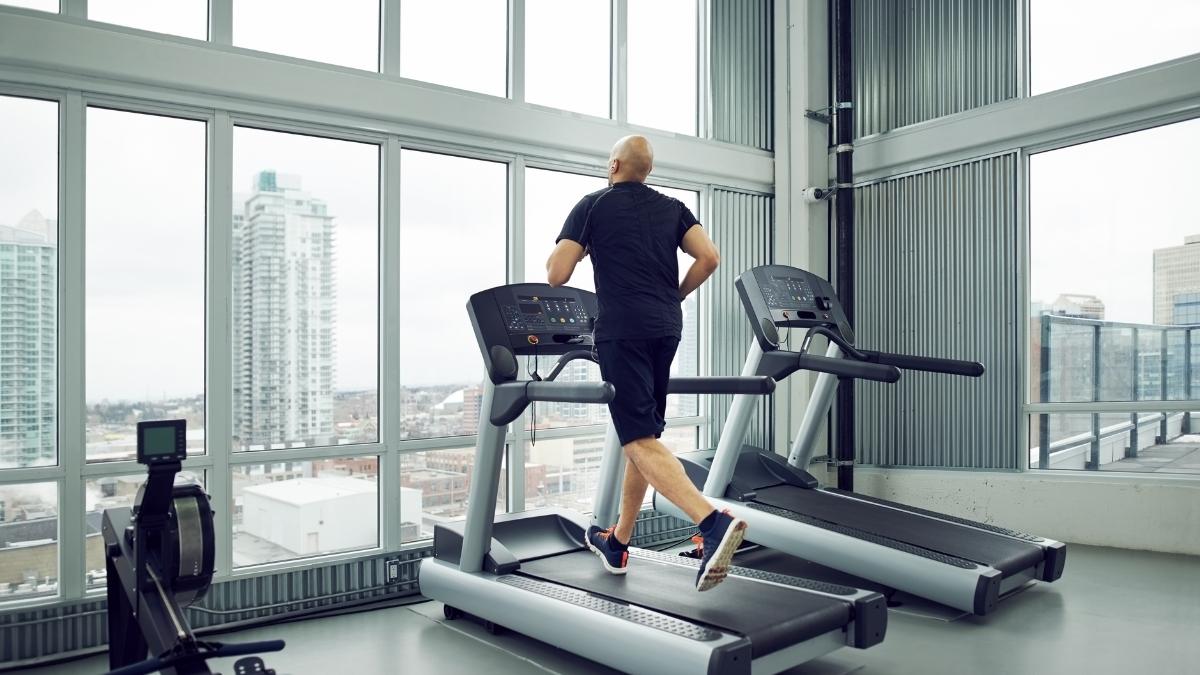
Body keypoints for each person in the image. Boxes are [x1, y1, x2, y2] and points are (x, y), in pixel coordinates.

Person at [546, 135, 746, 592]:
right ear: (647, 171)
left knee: (636, 436)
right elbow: (709, 258)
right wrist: (672, 295)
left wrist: (575, 246)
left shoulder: (593, 205)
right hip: (666, 326)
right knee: (643, 434)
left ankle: (711, 522)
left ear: (613, 164)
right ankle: (619, 540)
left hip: (623, 328)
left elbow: (557, 274)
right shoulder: (674, 208)